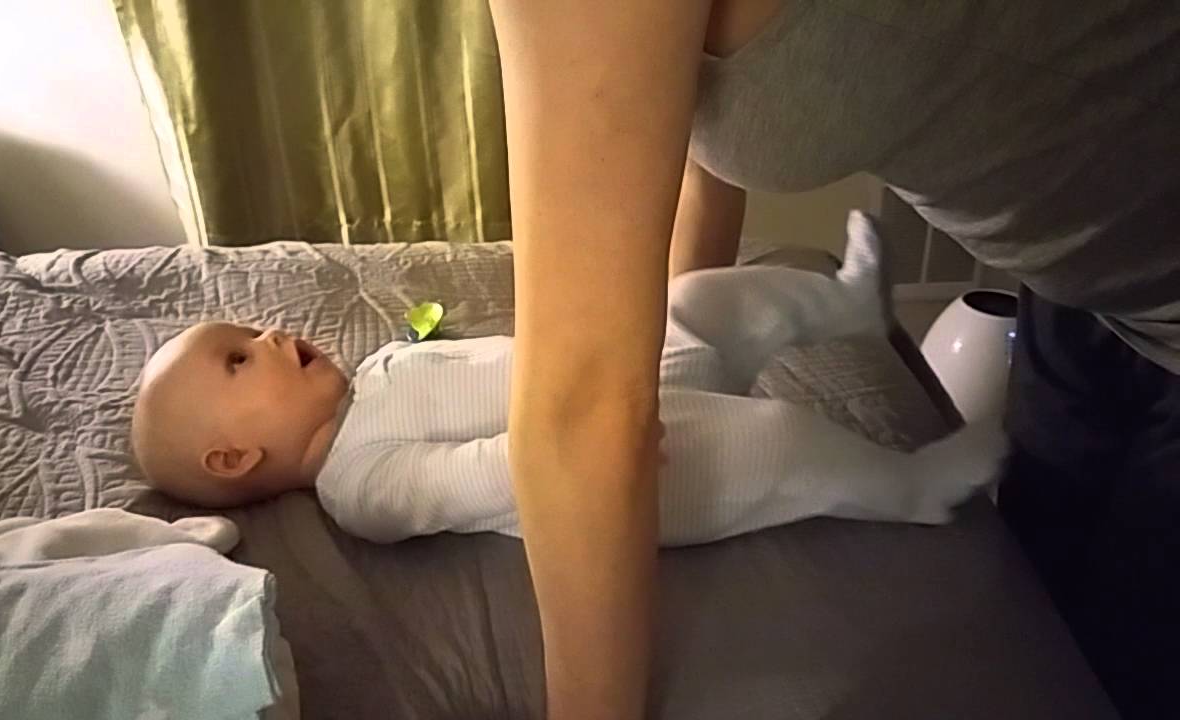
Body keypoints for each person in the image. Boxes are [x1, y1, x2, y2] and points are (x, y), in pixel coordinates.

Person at [486, 1, 1179, 717]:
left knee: (1131, 669)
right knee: (1044, 629)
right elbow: (686, 152)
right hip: (1083, 289)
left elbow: (585, 404)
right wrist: (687, 371)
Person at [130, 215, 1002, 544]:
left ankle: (843, 306)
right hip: (632, 466)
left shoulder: (376, 374)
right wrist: (587, 446)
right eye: (239, 357)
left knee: (696, 301)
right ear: (234, 458)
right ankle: (910, 488)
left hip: (625, 372)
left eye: (249, 331)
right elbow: (470, 476)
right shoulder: (359, 487)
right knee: (777, 438)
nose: (270, 333)